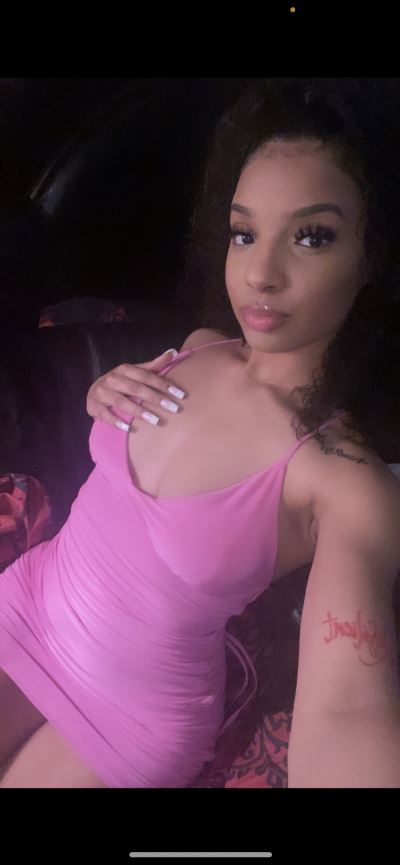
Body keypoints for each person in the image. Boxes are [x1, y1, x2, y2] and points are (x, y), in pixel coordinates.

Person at [2, 78, 400, 788]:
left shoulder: (344, 478)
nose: (261, 273)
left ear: (372, 257)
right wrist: (100, 398)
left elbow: (349, 711)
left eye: (311, 236)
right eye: (245, 233)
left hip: (127, 714)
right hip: (28, 606)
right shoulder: (197, 347)